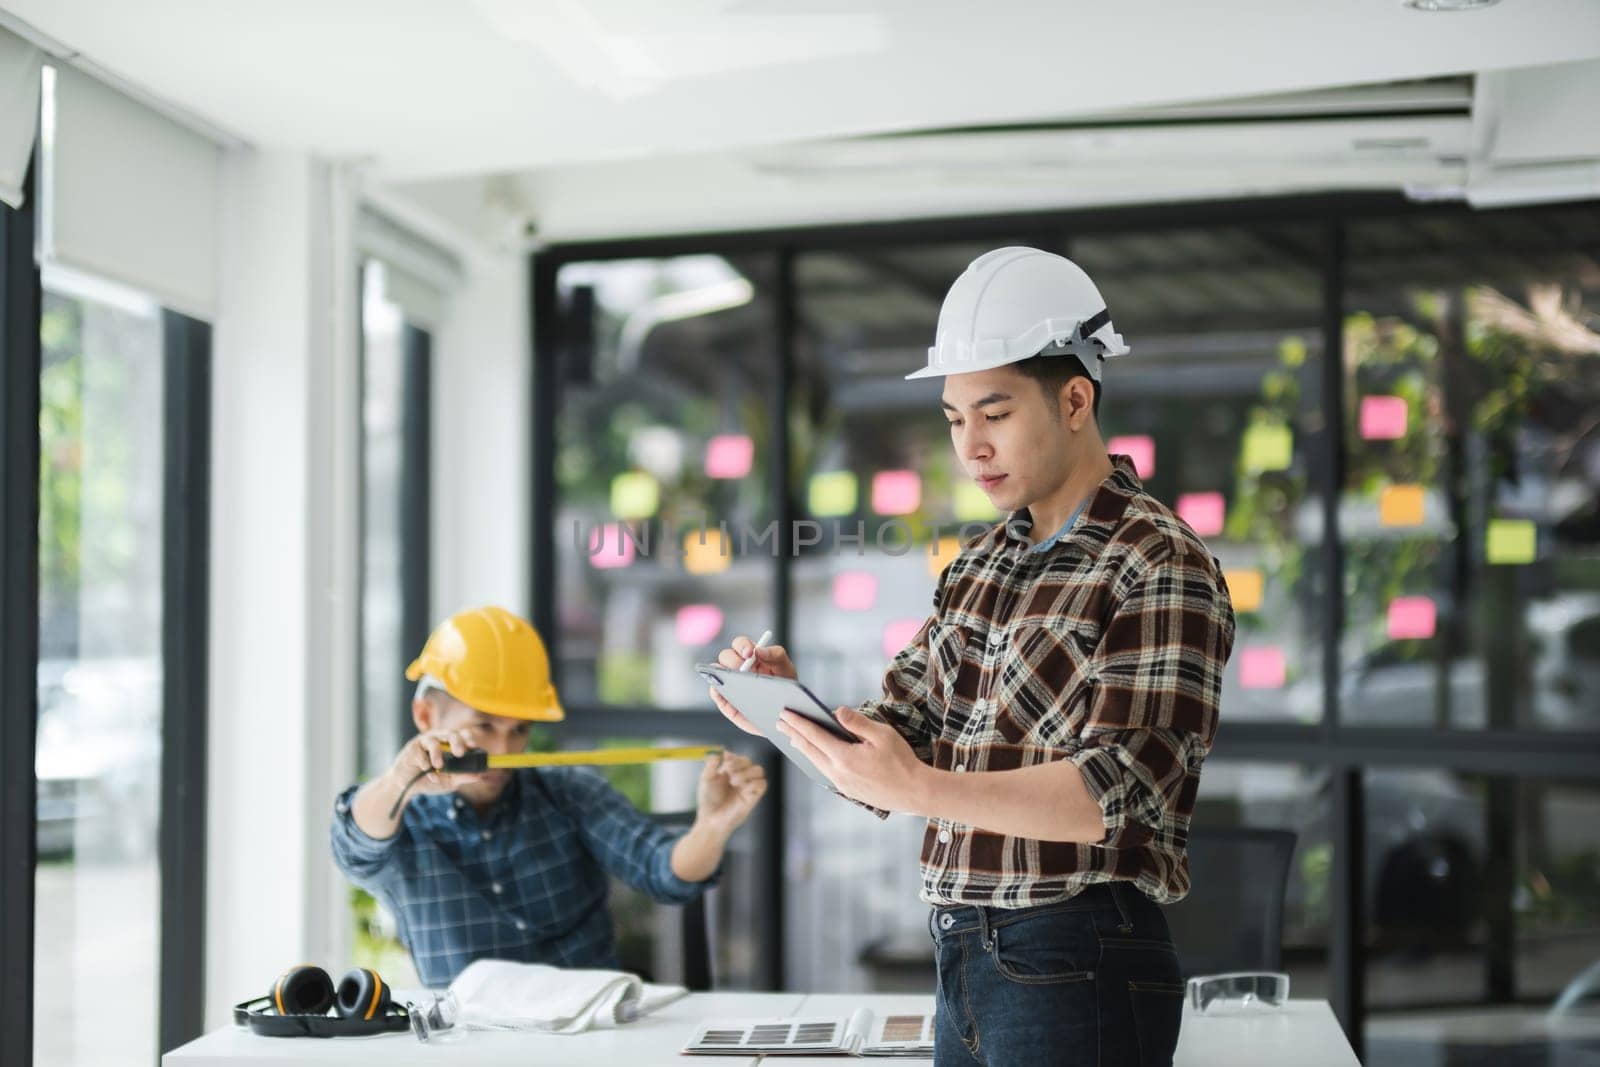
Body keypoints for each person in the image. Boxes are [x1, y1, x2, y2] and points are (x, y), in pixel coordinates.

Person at [711, 248, 1235, 1066]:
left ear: (1073, 398)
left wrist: (917, 786)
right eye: (955, 419)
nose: (971, 446)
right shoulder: (982, 563)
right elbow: (898, 736)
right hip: (964, 952)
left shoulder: (1157, 560)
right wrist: (786, 712)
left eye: (994, 413)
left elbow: (1120, 793)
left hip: (1081, 953)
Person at [332, 604, 767, 987]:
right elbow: (355, 847)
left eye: (519, 729)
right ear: (427, 715)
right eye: (483, 727)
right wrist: (399, 782)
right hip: (470, 1046)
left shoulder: (568, 792)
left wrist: (712, 826)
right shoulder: (401, 816)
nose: (503, 750)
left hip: (591, 1039)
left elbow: (664, 872)